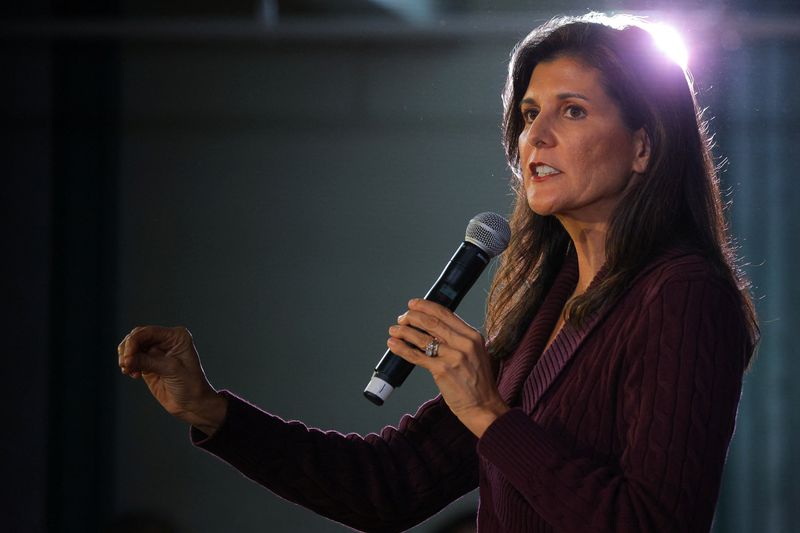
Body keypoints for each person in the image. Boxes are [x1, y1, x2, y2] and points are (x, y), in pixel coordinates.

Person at [117, 13, 759, 532]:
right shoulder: (551, 301)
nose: (536, 137)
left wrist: (487, 411)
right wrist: (209, 409)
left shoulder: (682, 295)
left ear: (644, 144)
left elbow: (653, 524)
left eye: (573, 110)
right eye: (530, 113)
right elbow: (388, 486)